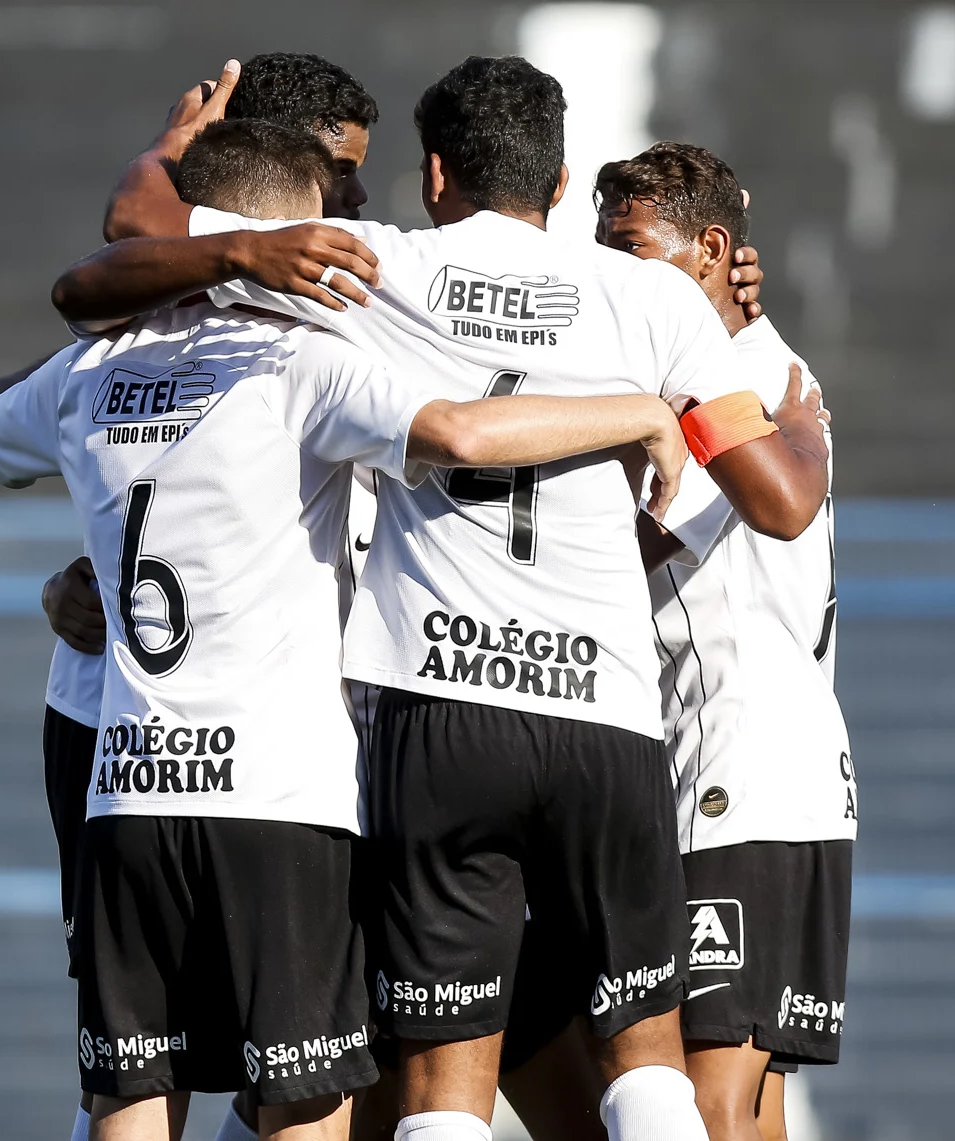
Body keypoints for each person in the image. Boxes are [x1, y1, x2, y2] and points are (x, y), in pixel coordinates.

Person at [50, 56, 834, 1141]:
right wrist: (779, 410)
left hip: (428, 713)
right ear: (560, 187)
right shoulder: (650, 297)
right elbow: (780, 504)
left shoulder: (369, 269)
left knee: (424, 1087)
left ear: (431, 174)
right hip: (602, 713)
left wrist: (177, 148)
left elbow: (131, 236)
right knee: (645, 1062)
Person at [33, 52, 383, 1141]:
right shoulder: (268, 310)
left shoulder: (299, 293)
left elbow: (112, 248)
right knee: (276, 1064)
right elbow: (111, 251)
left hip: (169, 748)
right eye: (337, 172)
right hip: (169, 736)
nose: (355, 202)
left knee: (172, 1065)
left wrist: (175, 153)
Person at [597, 142, 853, 1141]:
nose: (612, 274)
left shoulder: (726, 393)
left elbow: (625, 544)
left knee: (711, 1097)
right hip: (753, 775)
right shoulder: (748, 365)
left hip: (737, 778)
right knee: (738, 1100)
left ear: (709, 248)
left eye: (630, 247)